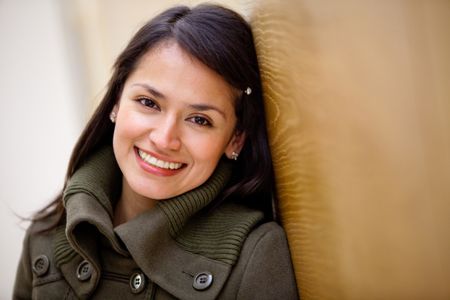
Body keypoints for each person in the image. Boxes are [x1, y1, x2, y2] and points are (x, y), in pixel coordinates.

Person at [13, 4, 298, 299]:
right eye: (149, 103)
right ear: (116, 101)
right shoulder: (46, 235)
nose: (164, 139)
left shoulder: (256, 256)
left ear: (235, 140)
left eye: (200, 120)